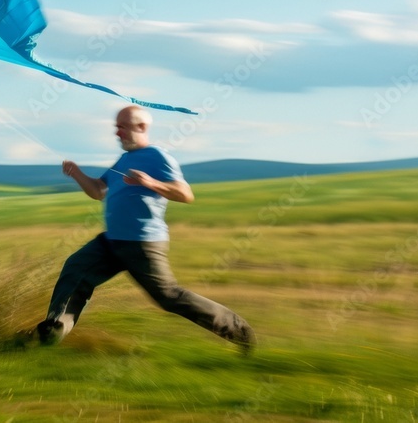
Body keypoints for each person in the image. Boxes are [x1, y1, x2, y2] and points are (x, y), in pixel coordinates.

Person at [37, 105, 256, 354]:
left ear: (141, 127)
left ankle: (239, 330)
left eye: (122, 127)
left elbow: (185, 194)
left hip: (142, 243)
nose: (117, 133)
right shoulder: (125, 158)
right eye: (117, 127)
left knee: (168, 297)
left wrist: (150, 182)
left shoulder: (158, 156)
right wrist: (77, 173)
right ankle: (54, 330)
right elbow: (98, 191)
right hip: (111, 241)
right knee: (76, 269)